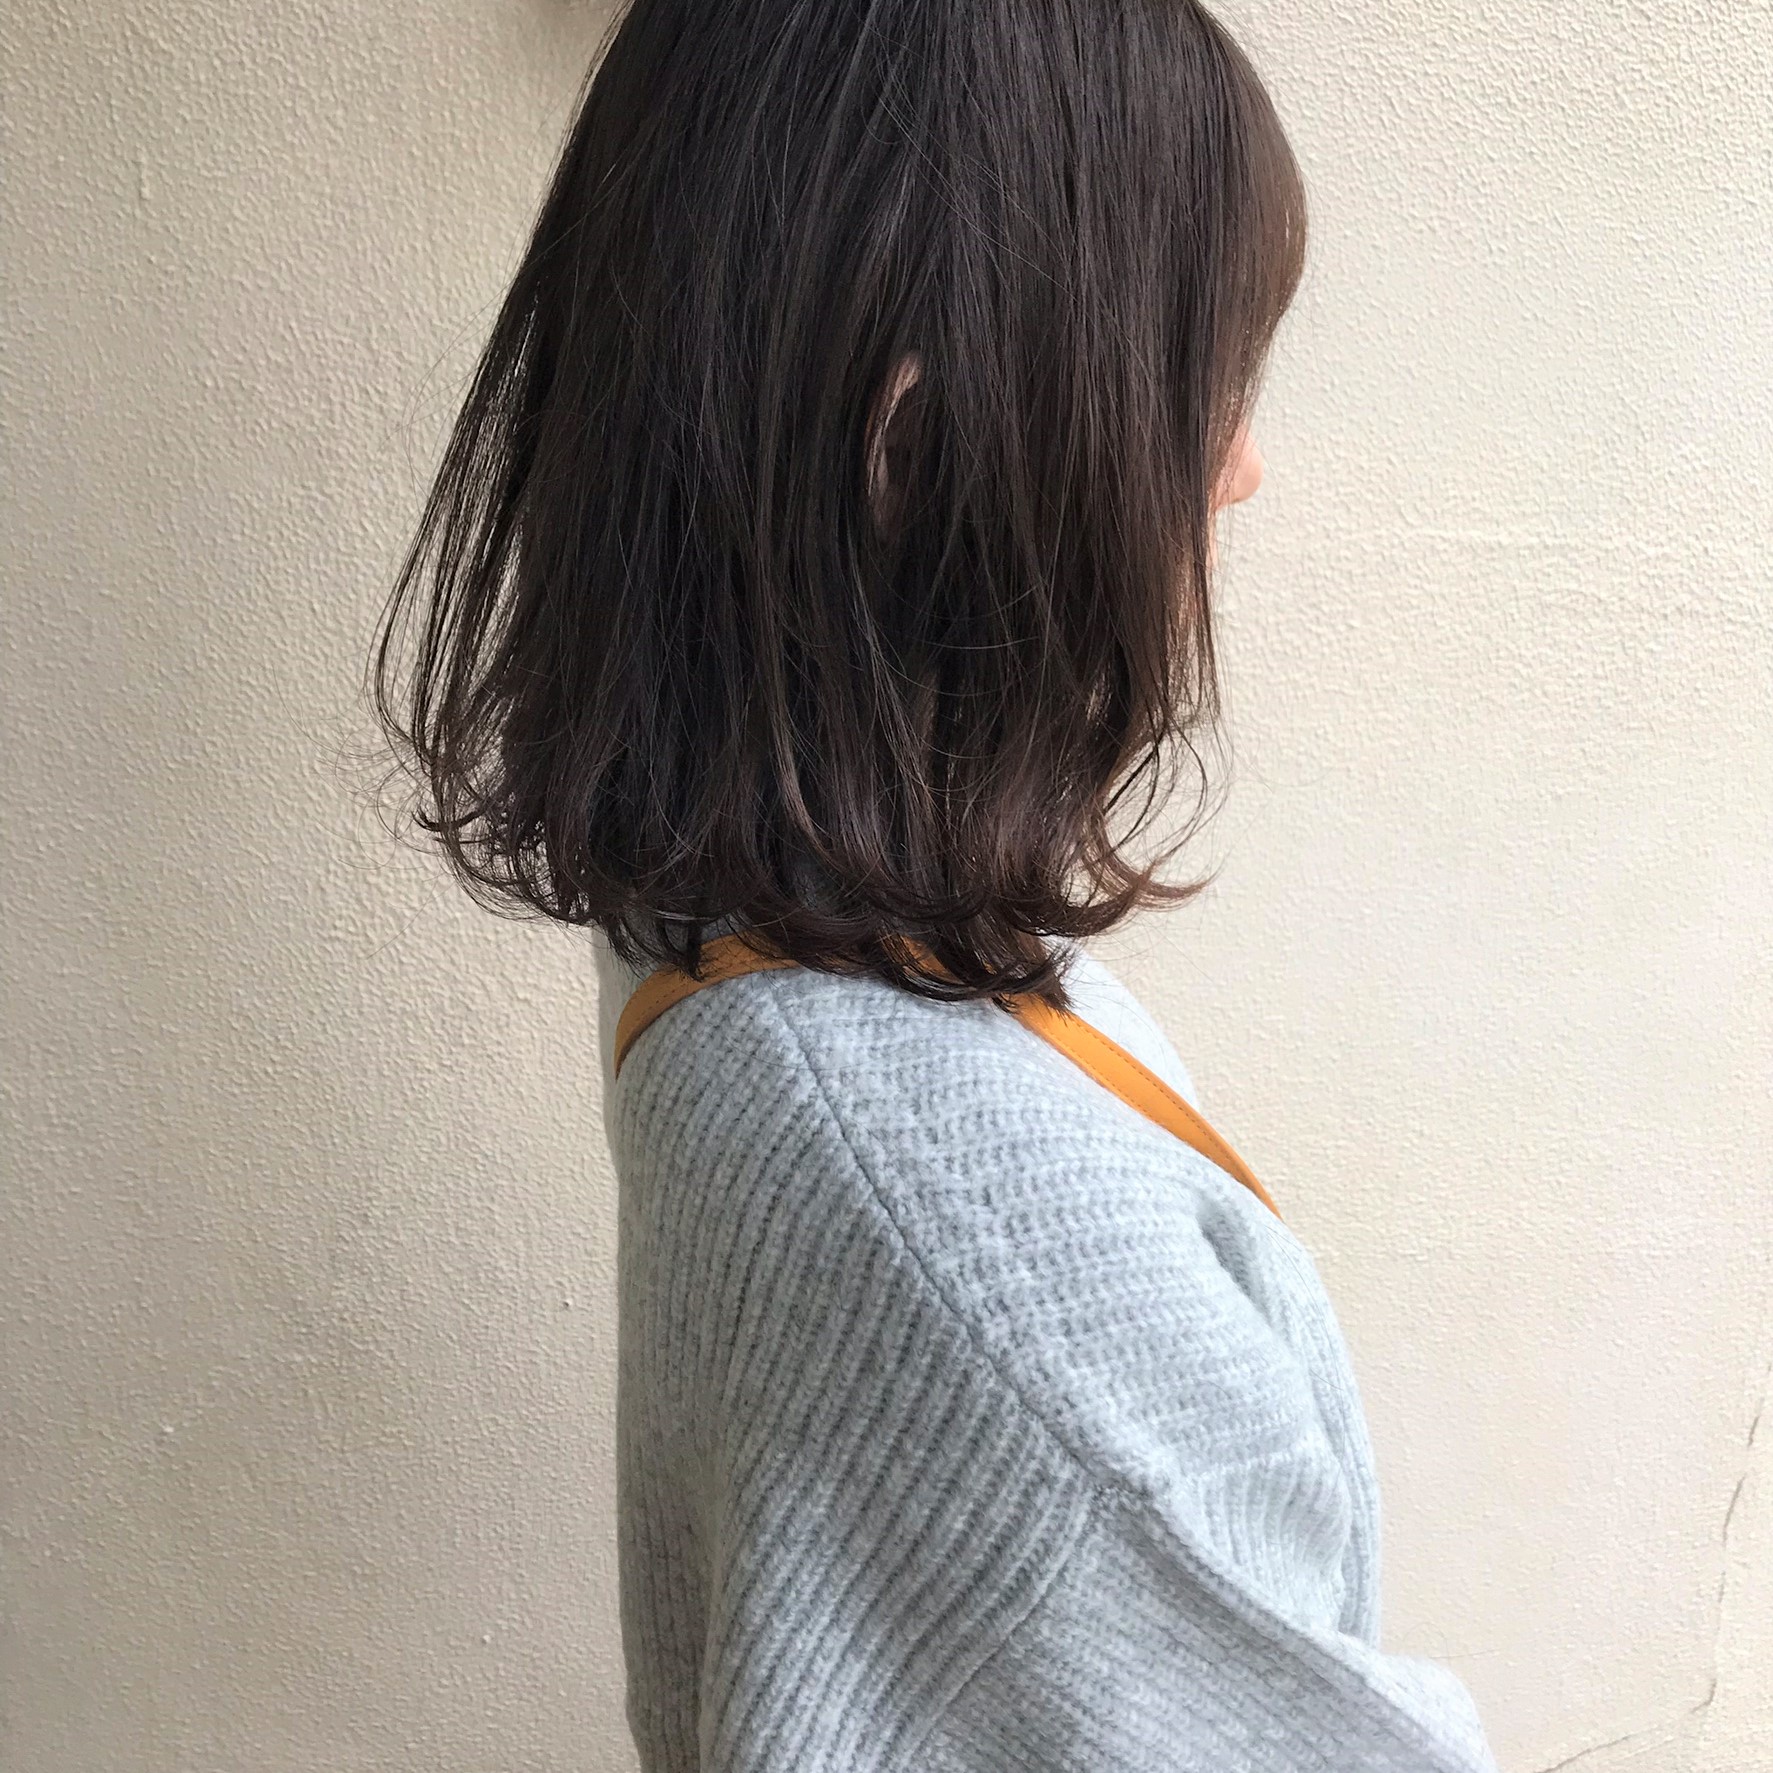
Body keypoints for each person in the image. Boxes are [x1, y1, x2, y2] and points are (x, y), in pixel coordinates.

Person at [370, 1, 1503, 1767]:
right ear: (917, 446)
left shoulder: (730, 927)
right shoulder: (1001, 1262)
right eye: (1202, 379)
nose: (1238, 465)